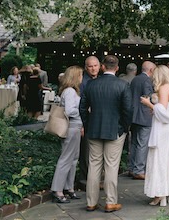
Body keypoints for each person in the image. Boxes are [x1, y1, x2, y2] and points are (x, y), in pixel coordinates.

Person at [79, 55, 131, 213]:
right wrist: (123, 128)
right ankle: (110, 201)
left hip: (94, 129)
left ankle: (91, 202)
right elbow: (128, 110)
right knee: (111, 167)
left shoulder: (91, 85)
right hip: (114, 130)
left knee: (94, 166)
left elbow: (82, 108)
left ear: (102, 67)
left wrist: (88, 124)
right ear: (117, 67)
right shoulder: (122, 85)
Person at [140, 65, 169, 206]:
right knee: (168, 159)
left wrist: (149, 104)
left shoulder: (164, 88)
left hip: (163, 129)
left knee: (158, 159)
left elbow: (162, 111)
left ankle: (159, 193)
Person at [50, 66, 84, 203]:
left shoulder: (70, 91)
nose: (82, 78)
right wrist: (84, 111)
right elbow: (70, 111)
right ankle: (58, 190)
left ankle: (68, 187)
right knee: (66, 158)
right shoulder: (70, 91)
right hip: (71, 127)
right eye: (81, 75)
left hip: (75, 126)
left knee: (73, 158)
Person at [129, 61, 156, 180]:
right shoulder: (147, 81)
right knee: (142, 144)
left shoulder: (135, 79)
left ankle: (131, 168)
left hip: (134, 115)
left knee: (134, 142)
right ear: (150, 70)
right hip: (144, 115)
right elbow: (148, 97)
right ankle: (139, 170)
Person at [78, 56, 101, 183]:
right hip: (87, 121)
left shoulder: (100, 80)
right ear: (86, 68)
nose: (93, 69)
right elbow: (80, 105)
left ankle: (93, 179)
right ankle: (84, 180)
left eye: (95, 66)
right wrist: (82, 125)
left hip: (97, 121)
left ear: (99, 66)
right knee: (86, 152)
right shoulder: (83, 82)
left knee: (95, 152)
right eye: (90, 66)